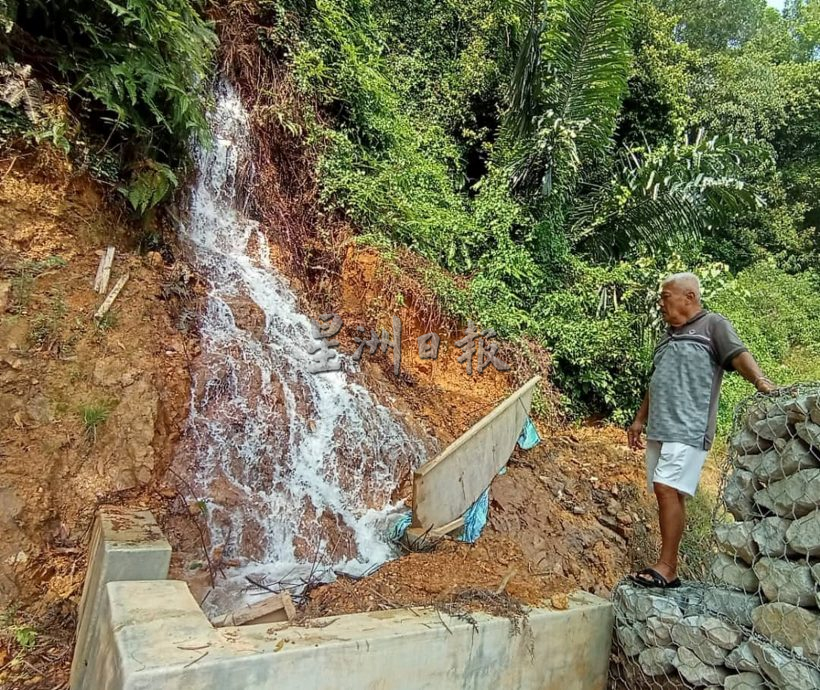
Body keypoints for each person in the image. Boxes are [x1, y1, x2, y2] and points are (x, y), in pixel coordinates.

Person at [627, 272, 775, 588]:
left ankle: (667, 567)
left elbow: (738, 354)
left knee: (667, 487)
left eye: (666, 296)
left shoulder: (713, 326)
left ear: (689, 296)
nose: (661, 303)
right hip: (660, 427)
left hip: (690, 427)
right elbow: (657, 381)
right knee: (664, 491)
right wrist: (640, 420)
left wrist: (761, 382)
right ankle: (669, 567)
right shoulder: (667, 336)